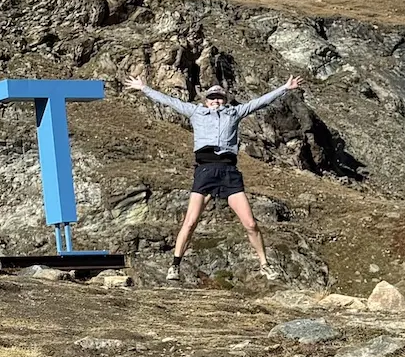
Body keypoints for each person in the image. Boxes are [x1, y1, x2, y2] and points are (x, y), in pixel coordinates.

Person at [123, 73, 304, 281]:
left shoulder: (234, 113)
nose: (215, 100)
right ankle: (175, 265)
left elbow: (259, 102)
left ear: (224, 100)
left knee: (251, 224)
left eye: (219, 97)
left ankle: (265, 264)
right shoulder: (196, 112)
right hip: (205, 171)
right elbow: (171, 102)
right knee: (190, 222)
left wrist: (284, 87)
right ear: (206, 101)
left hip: (229, 172)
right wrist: (145, 88)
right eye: (212, 97)